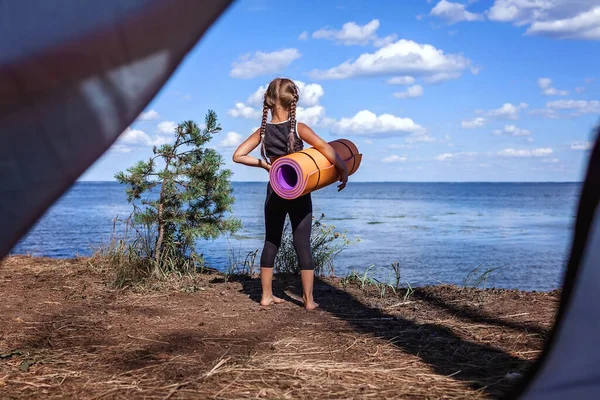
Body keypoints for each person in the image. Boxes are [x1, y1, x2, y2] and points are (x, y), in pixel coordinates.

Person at [232, 77, 349, 311]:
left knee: (271, 241)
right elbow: (326, 148)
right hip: (299, 190)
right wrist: (343, 170)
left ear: (268, 100)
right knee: (302, 244)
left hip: (275, 189)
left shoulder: (263, 132)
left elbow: (238, 155)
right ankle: (308, 300)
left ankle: (266, 296)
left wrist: (265, 165)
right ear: (291, 100)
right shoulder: (298, 127)